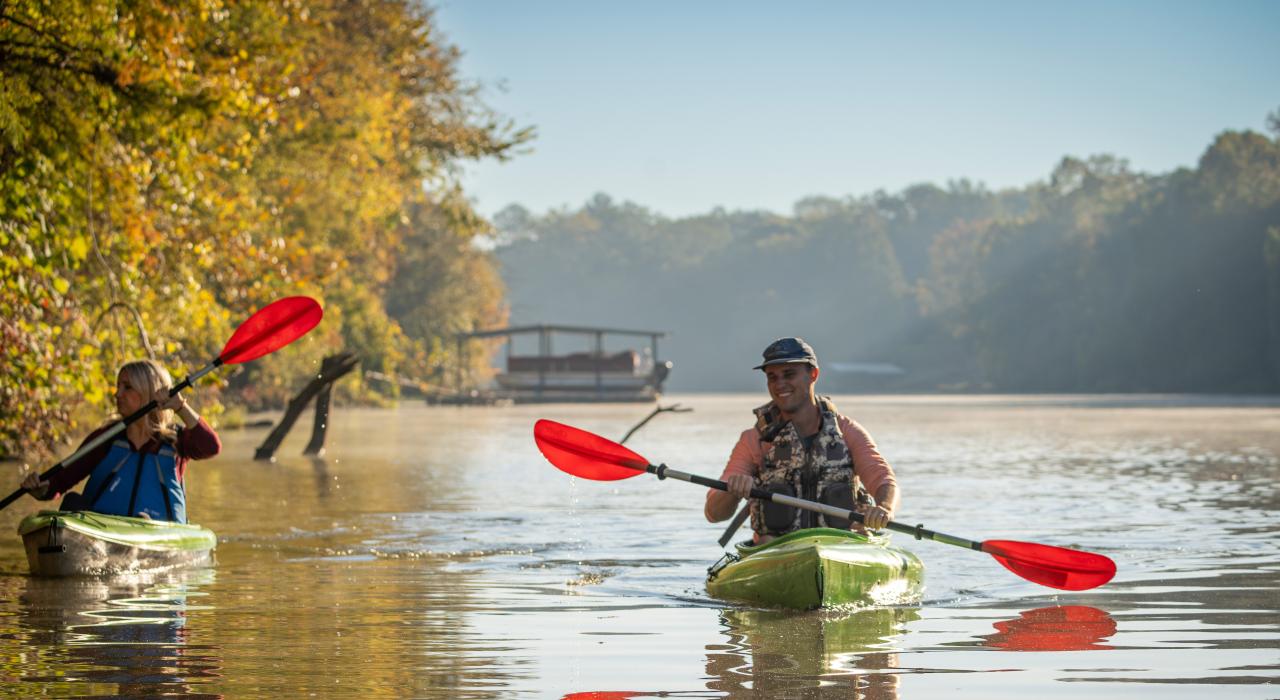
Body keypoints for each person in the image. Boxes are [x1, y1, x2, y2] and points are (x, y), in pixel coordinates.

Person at [705, 337, 898, 543]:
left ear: (813, 374)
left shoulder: (847, 431)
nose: (780, 384)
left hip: (843, 546)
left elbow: (883, 479)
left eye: (789, 374)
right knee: (767, 540)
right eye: (772, 377)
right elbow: (714, 514)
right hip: (776, 549)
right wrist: (732, 491)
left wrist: (884, 508)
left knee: (858, 534)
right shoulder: (754, 440)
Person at [21, 359, 221, 523]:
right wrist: (42, 488)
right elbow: (61, 480)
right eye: (118, 386)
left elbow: (211, 446)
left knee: (143, 521)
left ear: (148, 392)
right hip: (101, 532)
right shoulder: (106, 438)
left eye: (127, 387)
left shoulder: (177, 441)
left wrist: (180, 407)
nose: (118, 394)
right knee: (72, 502)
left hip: (156, 533)